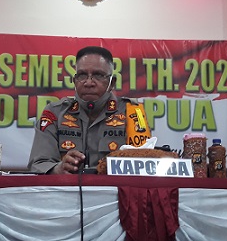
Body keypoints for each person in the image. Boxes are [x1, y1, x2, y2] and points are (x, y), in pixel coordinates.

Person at [28, 46, 151, 174]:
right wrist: (57, 169)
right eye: (82, 75)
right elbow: (38, 164)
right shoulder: (55, 113)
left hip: (114, 187)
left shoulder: (133, 112)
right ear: (74, 81)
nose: (88, 83)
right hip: (68, 187)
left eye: (98, 75)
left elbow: (144, 164)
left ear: (112, 83)